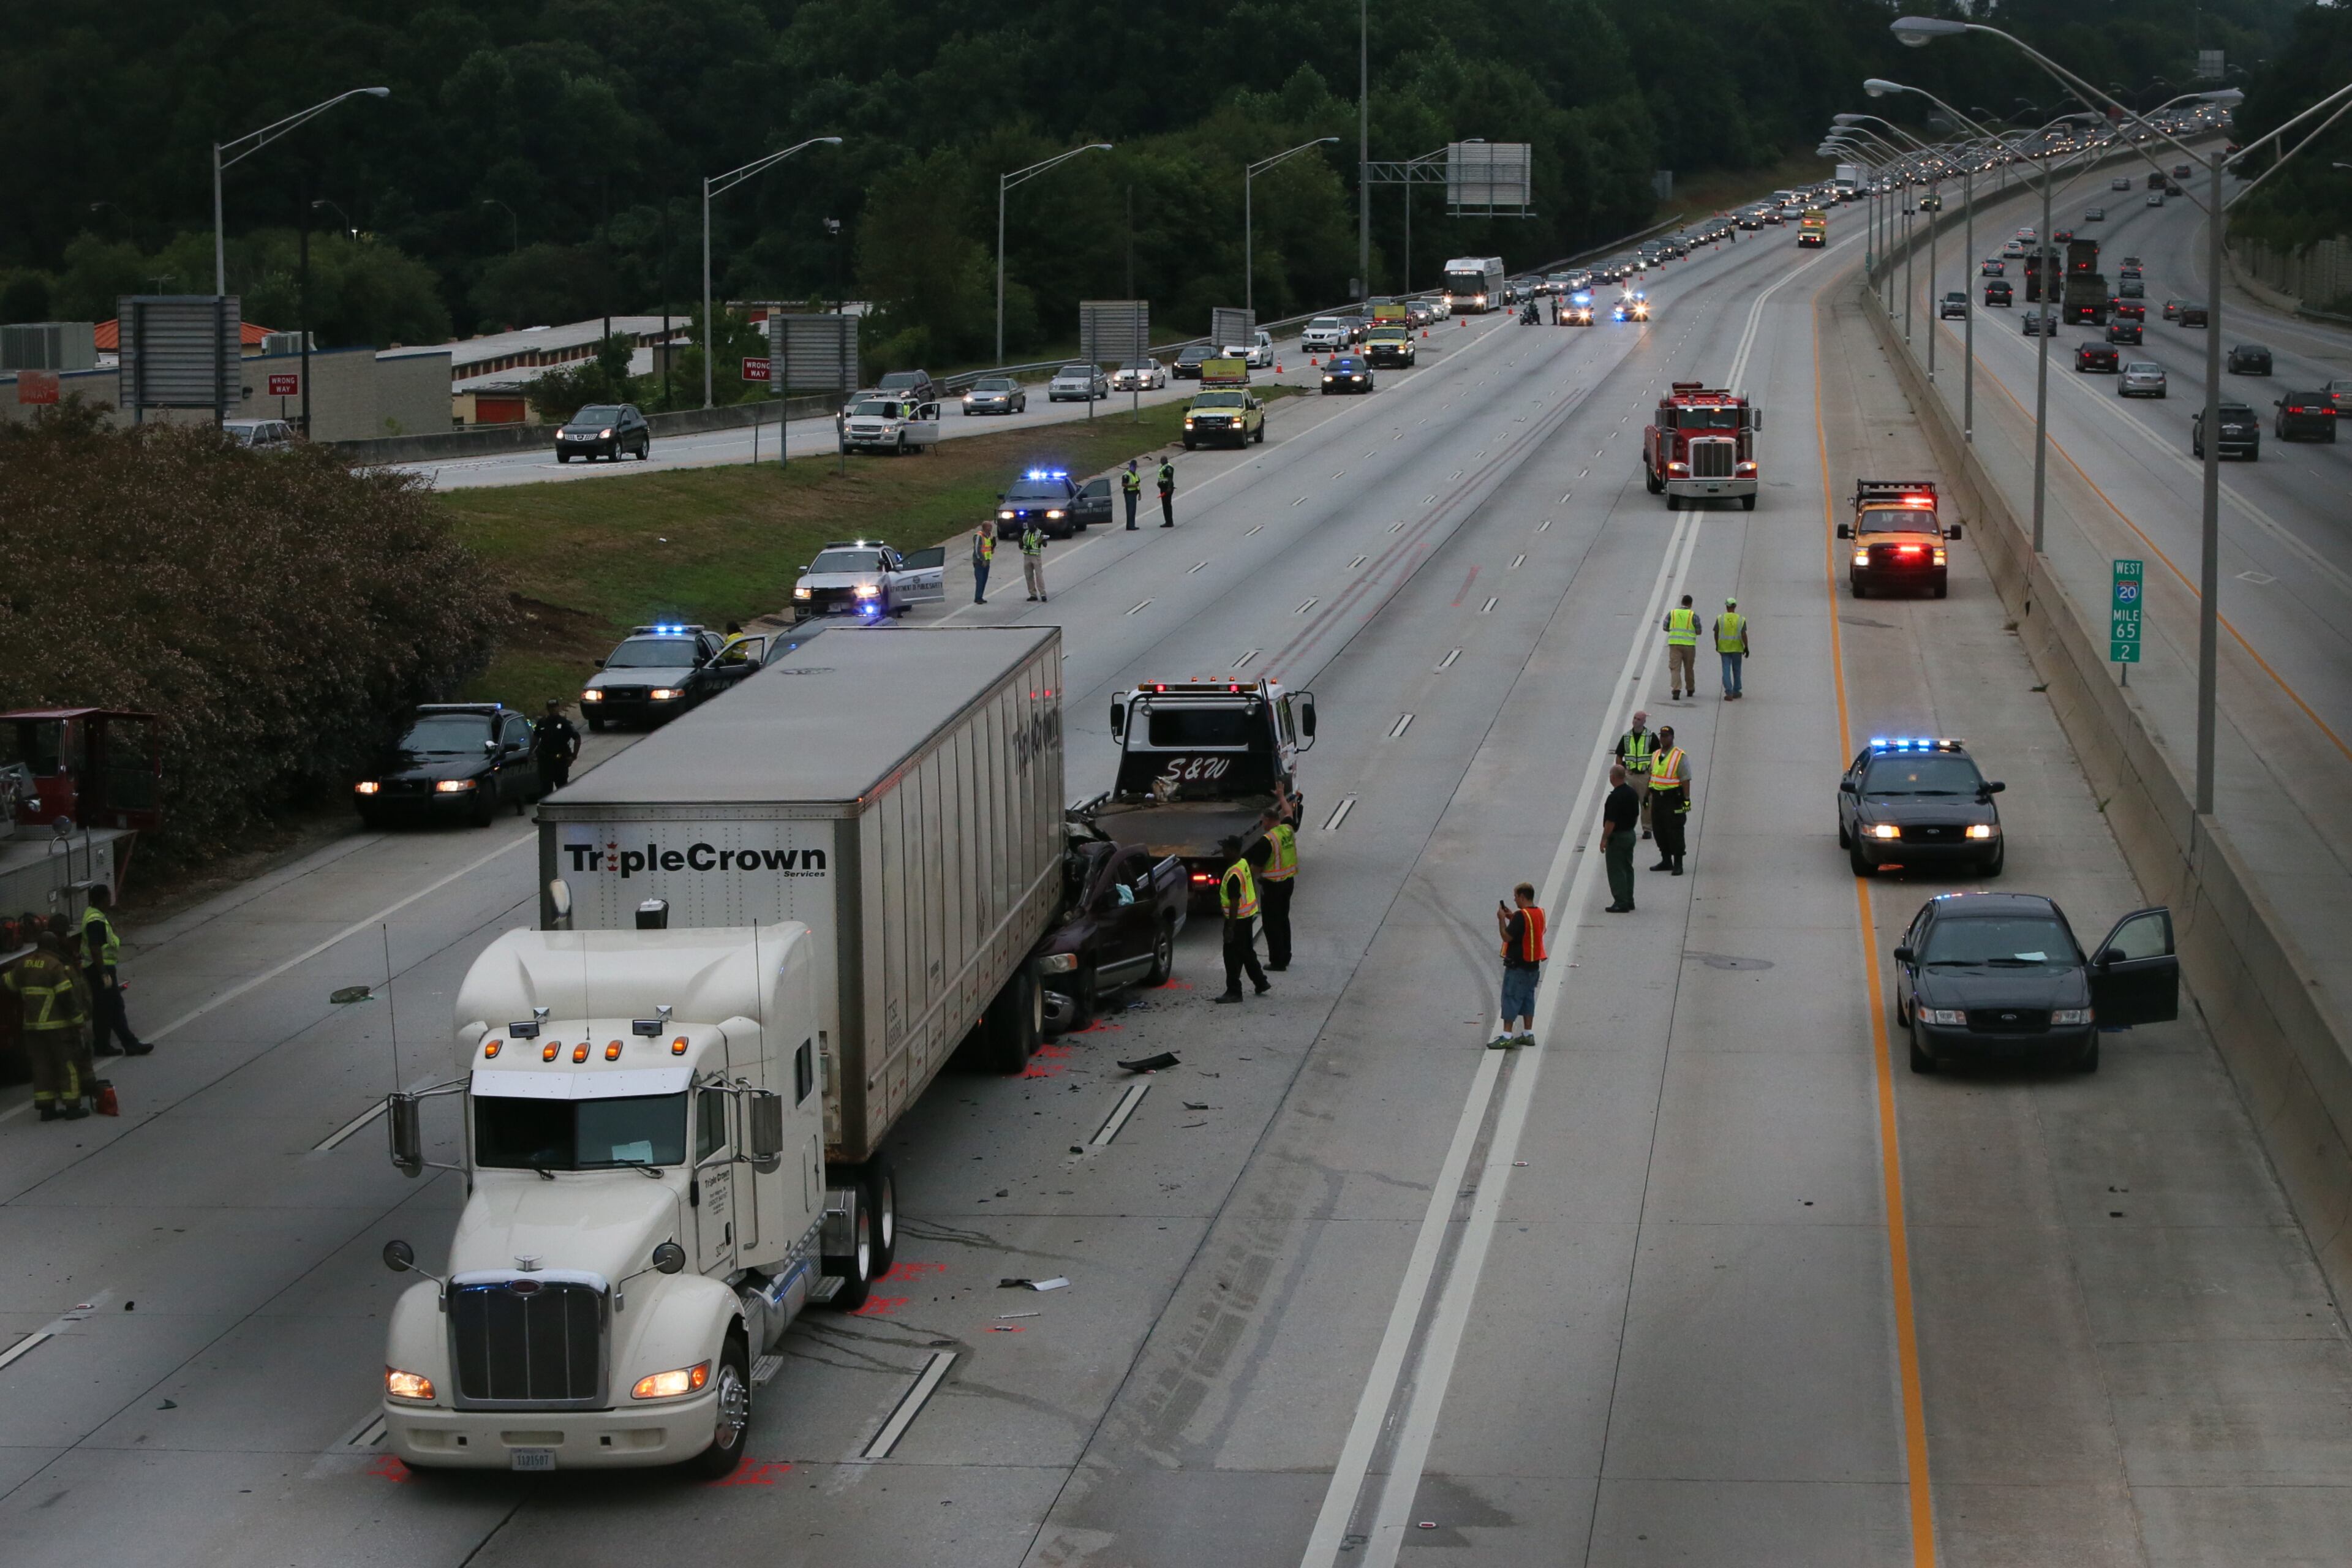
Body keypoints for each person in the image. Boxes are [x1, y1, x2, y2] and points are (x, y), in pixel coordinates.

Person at [7, 925, 91, 1119]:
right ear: (54, 945)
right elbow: (66, 996)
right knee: (67, 1065)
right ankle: (72, 1107)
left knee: (41, 1066)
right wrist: (78, 1020)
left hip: (32, 1027)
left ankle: (47, 1109)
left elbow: (9, 984)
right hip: (57, 1026)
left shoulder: (23, 964)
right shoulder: (55, 966)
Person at [79, 885, 148, 1057]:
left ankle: (104, 1045)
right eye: (109, 897)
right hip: (100, 969)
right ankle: (129, 1044)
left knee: (105, 1008)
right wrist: (103, 973)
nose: (110, 901)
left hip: (97, 968)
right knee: (114, 1006)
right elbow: (95, 948)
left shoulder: (93, 914)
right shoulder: (96, 920)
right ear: (104, 899)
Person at [1213, 837, 1270, 1003]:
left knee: (1231, 956)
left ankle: (1234, 991)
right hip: (1246, 917)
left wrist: (1230, 928)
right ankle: (1261, 982)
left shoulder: (1233, 875)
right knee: (1246, 951)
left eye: (1225, 849)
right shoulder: (1243, 863)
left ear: (1233, 851)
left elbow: (1234, 902)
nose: (1223, 852)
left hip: (1237, 920)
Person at [1491, 882, 1546, 1047]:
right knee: (1528, 999)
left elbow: (1507, 937)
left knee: (1511, 998)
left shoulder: (1522, 916)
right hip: (1533, 966)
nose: (1514, 900)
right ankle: (1528, 1034)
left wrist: (1502, 920)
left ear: (1522, 897)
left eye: (1515, 896)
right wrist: (1512, 917)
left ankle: (1506, 1036)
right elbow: (1532, 929)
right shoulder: (1539, 913)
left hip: (1518, 966)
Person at [1256, 806, 1298, 971]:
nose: (1262, 824)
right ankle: (1286, 955)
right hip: (1288, 882)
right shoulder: (1287, 829)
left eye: (1262, 821)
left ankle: (1277, 962)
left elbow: (1256, 868)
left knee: (1271, 925)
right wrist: (1281, 797)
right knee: (1283, 919)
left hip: (1272, 886)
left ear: (1268, 820)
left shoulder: (1267, 840)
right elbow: (1289, 813)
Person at [1648, 725, 1692, 875]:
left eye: (1666, 736)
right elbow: (1652, 776)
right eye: (1661, 736)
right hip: (1657, 799)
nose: (1663, 739)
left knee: (1675, 831)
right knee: (1659, 830)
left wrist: (1686, 799)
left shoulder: (1679, 756)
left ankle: (1678, 863)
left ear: (1672, 738)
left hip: (1673, 799)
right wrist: (1647, 796)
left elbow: (1685, 779)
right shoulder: (1655, 755)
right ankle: (1666, 860)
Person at [1602, 763, 1641, 913]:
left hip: (1617, 837)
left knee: (1616, 870)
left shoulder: (1615, 797)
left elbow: (1611, 822)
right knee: (1627, 867)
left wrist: (1604, 839)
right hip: (1630, 834)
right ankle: (1629, 899)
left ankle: (1621, 902)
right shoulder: (1632, 793)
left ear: (1613, 777)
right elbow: (1636, 815)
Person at [1614, 709, 1657, 839]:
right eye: (1634, 718)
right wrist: (1620, 772)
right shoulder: (1627, 737)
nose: (1635, 721)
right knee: (1628, 803)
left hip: (1644, 775)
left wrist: (1654, 774)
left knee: (1646, 803)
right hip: (1630, 775)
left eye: (1639, 719)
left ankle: (1647, 829)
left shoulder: (1650, 737)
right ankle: (1628, 827)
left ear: (1644, 721)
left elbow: (1657, 756)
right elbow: (1619, 755)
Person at [531, 699, 581, 795]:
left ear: (558, 708)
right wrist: (530, 752)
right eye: (551, 708)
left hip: (560, 760)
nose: (553, 709)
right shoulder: (542, 722)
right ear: (548, 709)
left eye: (555, 707)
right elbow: (536, 738)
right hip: (545, 761)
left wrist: (574, 756)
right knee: (546, 789)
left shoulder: (565, 723)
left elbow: (577, 738)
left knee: (562, 789)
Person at [1663, 593, 1700, 701]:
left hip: (1675, 645)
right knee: (1689, 668)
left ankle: (1676, 690)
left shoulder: (1672, 613)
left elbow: (1665, 627)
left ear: (1682, 603)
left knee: (1675, 668)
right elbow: (1699, 631)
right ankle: (1690, 688)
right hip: (1689, 646)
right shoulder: (1694, 615)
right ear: (1691, 604)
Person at [1714, 597, 1751, 699]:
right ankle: (1737, 690)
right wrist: (1746, 647)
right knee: (1737, 670)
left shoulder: (1720, 618)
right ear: (1735, 607)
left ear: (1726, 606)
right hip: (1737, 648)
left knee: (1726, 670)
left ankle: (1729, 692)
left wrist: (1717, 644)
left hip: (1724, 648)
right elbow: (1744, 634)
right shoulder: (1741, 619)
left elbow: (1716, 632)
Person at [1020, 521, 1047, 602]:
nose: (1030, 526)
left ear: (1035, 525)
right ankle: (1033, 594)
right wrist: (1020, 543)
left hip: (1036, 557)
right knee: (1029, 576)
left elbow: (1045, 545)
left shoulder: (1040, 533)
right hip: (1027, 556)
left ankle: (1043, 594)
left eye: (1031, 525)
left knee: (1039, 575)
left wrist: (1042, 541)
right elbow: (1021, 545)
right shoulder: (1026, 533)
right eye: (1029, 525)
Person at [971, 522, 996, 604]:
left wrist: (993, 547)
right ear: (985, 527)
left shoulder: (990, 535)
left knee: (984, 580)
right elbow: (977, 550)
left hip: (987, 561)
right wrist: (982, 560)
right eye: (990, 526)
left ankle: (980, 596)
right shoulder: (979, 536)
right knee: (980, 580)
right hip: (980, 562)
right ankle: (978, 598)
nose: (991, 528)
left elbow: (989, 548)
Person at [1121, 461, 1143, 530]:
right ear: (1132, 466)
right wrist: (1133, 485)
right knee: (1130, 510)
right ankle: (1130, 526)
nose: (1135, 468)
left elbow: (1138, 485)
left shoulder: (1136, 475)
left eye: (1136, 467)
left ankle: (1132, 525)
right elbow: (1124, 484)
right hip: (1129, 494)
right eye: (1135, 467)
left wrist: (1140, 494)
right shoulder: (1126, 475)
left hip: (1134, 494)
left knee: (1133, 510)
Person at [1157, 458, 1177, 527]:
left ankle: (1169, 522)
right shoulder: (1163, 467)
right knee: (1165, 505)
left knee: (1167, 505)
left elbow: (1170, 478)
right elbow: (1163, 478)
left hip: (1167, 489)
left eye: (1162, 460)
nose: (1161, 461)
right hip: (1163, 488)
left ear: (1165, 460)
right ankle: (1167, 521)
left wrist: (1169, 487)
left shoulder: (1168, 468)